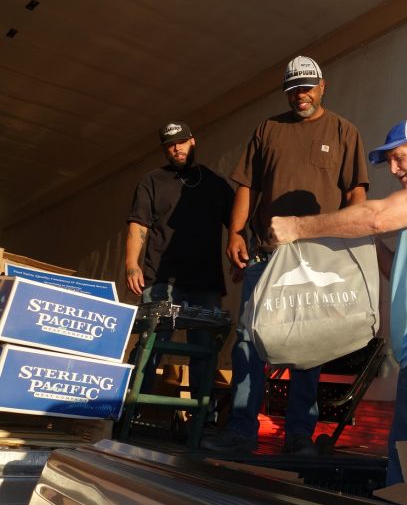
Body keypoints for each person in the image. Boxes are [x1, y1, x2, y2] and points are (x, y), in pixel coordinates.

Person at [267, 118, 407, 484]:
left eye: (398, 157)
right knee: (402, 467)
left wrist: (299, 227)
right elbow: (393, 265)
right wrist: (353, 236)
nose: (393, 169)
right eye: (388, 161)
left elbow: (377, 217)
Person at [200, 56, 370, 454]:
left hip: (318, 255)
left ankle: (299, 435)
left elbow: (356, 195)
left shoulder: (345, 131)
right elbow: (247, 186)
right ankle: (240, 431)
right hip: (266, 253)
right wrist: (236, 233)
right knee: (249, 340)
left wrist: (349, 243)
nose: (301, 95)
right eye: (294, 88)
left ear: (323, 86)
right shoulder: (268, 128)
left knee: (308, 342)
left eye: (308, 87)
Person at [125, 121, 234, 398]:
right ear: (165, 149)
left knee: (204, 352)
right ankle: (129, 410)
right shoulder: (152, 180)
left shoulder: (215, 183)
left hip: (205, 283)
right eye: (170, 144)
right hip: (161, 278)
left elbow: (236, 225)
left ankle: (202, 417)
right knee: (150, 346)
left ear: (192, 141)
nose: (177, 148)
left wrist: (239, 258)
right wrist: (131, 264)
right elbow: (139, 225)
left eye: (181, 142)